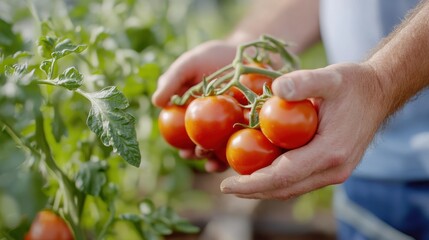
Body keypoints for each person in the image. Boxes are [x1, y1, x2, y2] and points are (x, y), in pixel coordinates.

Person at [152, 0, 429, 239]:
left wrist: (381, 83)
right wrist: (244, 42)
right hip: (365, 174)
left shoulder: (255, 118)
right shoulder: (252, 116)